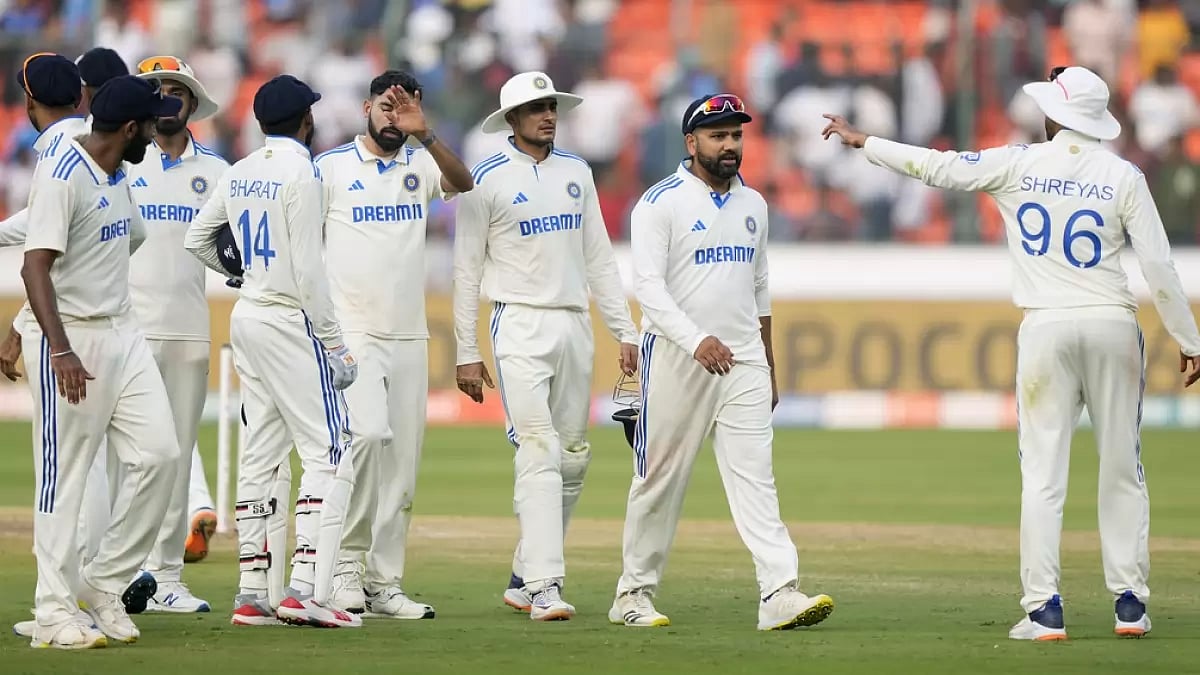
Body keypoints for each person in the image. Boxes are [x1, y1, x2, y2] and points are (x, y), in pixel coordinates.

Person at [821, 65, 1200, 641]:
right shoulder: (1123, 175)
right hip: (1110, 323)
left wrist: (864, 141)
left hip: (1046, 326)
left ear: (1056, 115)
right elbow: (1158, 266)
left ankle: (1045, 609)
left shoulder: (1019, 161)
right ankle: (1130, 604)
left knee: (1043, 474)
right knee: (1123, 465)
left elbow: (936, 166)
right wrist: (1190, 338)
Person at [609, 93, 835, 633]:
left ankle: (779, 592)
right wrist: (696, 340)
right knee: (658, 480)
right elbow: (648, 289)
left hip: (743, 363)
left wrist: (769, 364)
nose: (730, 145)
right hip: (676, 358)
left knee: (757, 478)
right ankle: (632, 594)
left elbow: (759, 290)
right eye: (718, 136)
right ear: (691, 143)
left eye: (736, 135)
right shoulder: (659, 202)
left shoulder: (754, 204)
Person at [453, 71, 638, 622]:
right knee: (537, 450)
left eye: (552, 106)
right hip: (518, 325)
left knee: (574, 457)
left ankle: (522, 571)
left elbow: (599, 258)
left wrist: (624, 330)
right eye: (536, 108)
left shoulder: (578, 171)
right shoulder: (482, 179)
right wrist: (467, 348)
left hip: (573, 323)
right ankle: (544, 585)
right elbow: (465, 272)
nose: (548, 115)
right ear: (512, 119)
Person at [184, 74, 360, 629]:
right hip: (288, 318)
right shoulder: (301, 173)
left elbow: (198, 239)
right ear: (306, 121)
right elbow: (309, 271)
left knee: (261, 455)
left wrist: (238, 271)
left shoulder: (240, 170)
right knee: (331, 449)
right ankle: (305, 589)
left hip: (250, 316)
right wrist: (335, 344)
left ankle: (251, 592)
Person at [20, 74, 183, 649]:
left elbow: (127, 238)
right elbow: (34, 266)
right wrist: (56, 345)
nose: (162, 128)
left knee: (161, 455)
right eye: (153, 120)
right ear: (131, 128)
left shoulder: (119, 173)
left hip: (123, 331)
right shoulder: (64, 176)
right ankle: (51, 615)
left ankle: (104, 581)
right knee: (62, 481)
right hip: (74, 346)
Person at [317, 70, 473, 619]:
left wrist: (425, 134)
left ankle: (384, 583)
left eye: (405, 108)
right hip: (352, 332)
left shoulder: (421, 164)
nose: (394, 115)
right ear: (365, 107)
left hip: (408, 332)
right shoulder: (330, 168)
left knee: (402, 467)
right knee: (366, 439)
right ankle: (342, 568)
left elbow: (465, 181)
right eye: (386, 105)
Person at [127, 54, 227, 611]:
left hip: (188, 328)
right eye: (156, 91)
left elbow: (236, 248)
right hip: (129, 330)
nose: (166, 100)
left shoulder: (217, 172)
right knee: (130, 458)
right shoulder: (119, 165)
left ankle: (166, 579)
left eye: (176, 91)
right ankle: (120, 571)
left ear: (192, 103)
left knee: (177, 455)